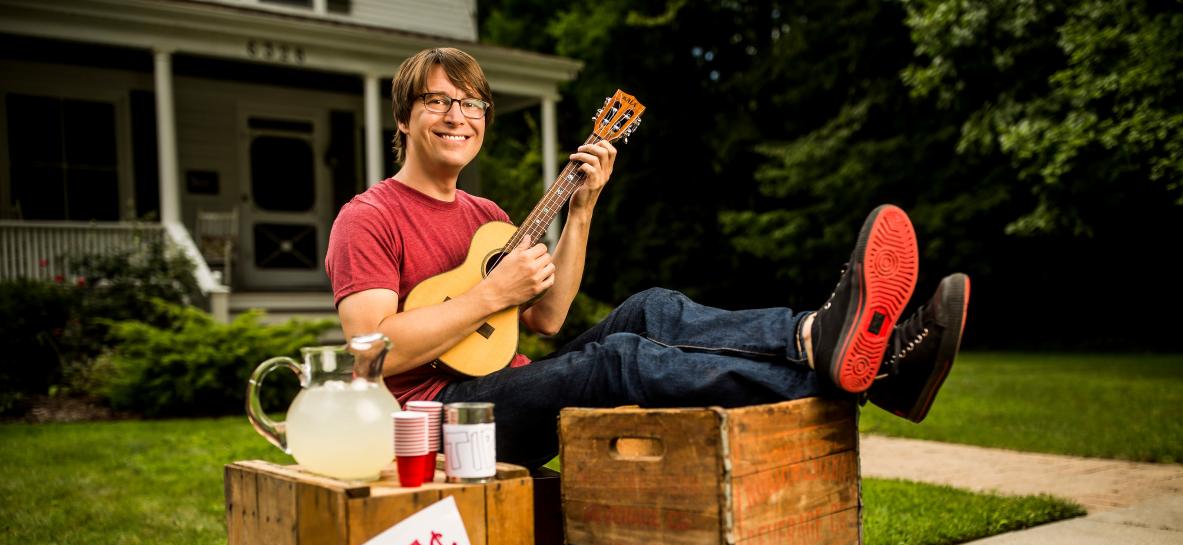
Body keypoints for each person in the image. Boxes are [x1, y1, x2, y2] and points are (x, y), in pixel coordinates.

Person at [327, 47, 970, 467]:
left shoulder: (488, 218)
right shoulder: (369, 217)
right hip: (434, 427)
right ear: (404, 119)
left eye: (471, 103)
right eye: (438, 101)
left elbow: (547, 318)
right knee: (619, 359)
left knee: (652, 309)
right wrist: (490, 296)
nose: (458, 115)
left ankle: (818, 337)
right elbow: (371, 354)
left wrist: (581, 212)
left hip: (507, 390)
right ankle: (875, 369)